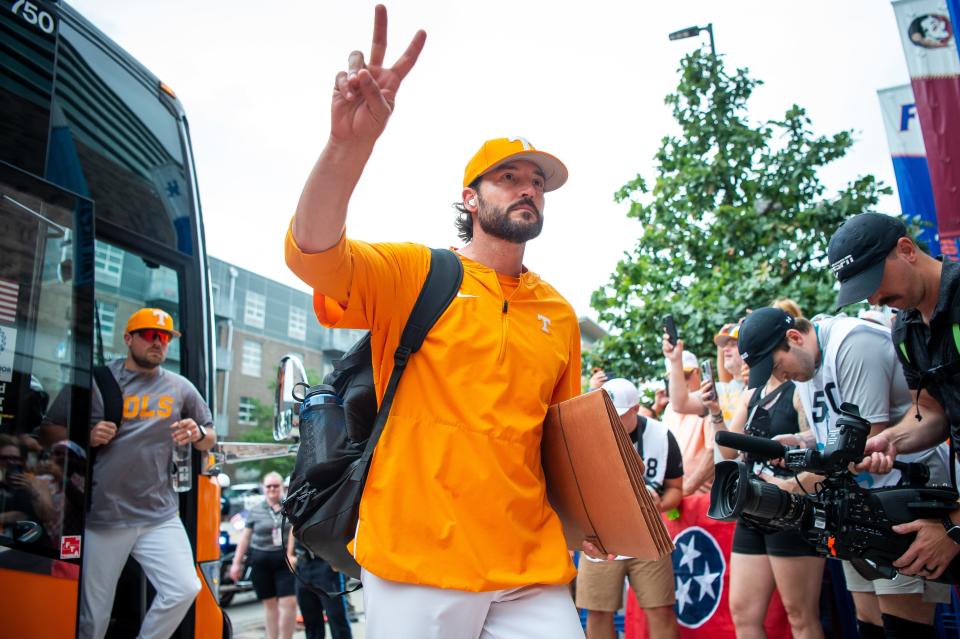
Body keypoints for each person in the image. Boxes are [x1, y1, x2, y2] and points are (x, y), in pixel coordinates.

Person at [283, 7, 590, 637]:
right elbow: (311, 252)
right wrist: (348, 145)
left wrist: (596, 520)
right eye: (508, 178)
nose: (527, 188)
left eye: (536, 181)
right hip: (416, 559)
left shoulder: (557, 312)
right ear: (470, 199)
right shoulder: (415, 273)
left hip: (528, 565)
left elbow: (560, 441)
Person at [736, 306, 951, 639]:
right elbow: (831, 434)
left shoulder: (852, 343)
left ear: (794, 338)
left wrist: (789, 486)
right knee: (868, 624)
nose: (782, 376)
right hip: (857, 503)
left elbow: (864, 443)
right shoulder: (807, 367)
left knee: (903, 626)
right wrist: (798, 441)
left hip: (904, 493)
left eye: (778, 366)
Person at [44, 307, 216, 639]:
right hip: (105, 515)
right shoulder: (96, 382)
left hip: (159, 515)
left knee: (184, 588)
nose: (158, 343)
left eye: (164, 337)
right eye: (150, 335)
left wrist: (196, 432)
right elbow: (47, 429)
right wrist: (84, 435)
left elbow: (209, 436)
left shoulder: (181, 388)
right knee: (93, 618)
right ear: (128, 338)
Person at [830, 213, 960, 585]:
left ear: (906, 250)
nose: (874, 298)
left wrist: (952, 526)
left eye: (875, 282)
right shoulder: (904, 329)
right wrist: (892, 440)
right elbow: (934, 412)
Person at [712, 371, 824, 639]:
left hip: (792, 507)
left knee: (799, 614)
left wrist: (794, 442)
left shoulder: (799, 389)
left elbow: (820, 437)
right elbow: (728, 449)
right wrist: (714, 412)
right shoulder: (751, 395)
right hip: (752, 507)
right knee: (743, 613)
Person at [576, 376, 681, 639]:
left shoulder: (662, 435)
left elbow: (675, 491)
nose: (611, 421)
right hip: (602, 536)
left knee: (660, 609)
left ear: (635, 408)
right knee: (597, 611)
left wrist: (658, 503)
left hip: (649, 533)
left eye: (618, 415)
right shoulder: (588, 435)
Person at [232, 471, 297, 639]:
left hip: (284, 562)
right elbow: (245, 538)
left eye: (276, 486)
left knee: (288, 603)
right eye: (269, 486)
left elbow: (295, 532)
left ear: (282, 487)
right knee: (269, 604)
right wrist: (236, 563)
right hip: (261, 562)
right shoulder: (255, 511)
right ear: (263, 488)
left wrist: (291, 554)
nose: (272, 489)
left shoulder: (290, 507)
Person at [287, 534, 354, 639]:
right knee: (311, 622)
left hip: (325, 564)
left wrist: (339, 557)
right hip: (303, 565)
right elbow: (293, 525)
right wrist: (289, 553)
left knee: (336, 618)